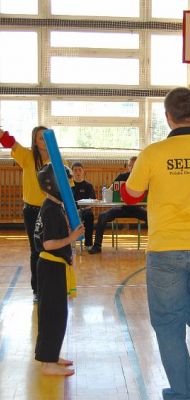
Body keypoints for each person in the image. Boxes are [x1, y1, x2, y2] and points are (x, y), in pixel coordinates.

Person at [123, 87, 190, 400]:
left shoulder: (153, 154)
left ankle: (182, 392)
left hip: (165, 249)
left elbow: (130, 195)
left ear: (168, 116)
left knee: (169, 323)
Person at [34, 163, 84, 376]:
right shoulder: (51, 210)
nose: (69, 187)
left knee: (57, 313)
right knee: (52, 314)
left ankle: (51, 355)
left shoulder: (52, 206)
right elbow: (48, 244)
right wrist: (72, 237)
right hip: (51, 266)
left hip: (53, 266)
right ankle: (48, 363)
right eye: (65, 182)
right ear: (54, 185)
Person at [0, 126, 49, 303]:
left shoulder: (59, 160)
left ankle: (50, 286)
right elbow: (10, 143)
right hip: (32, 211)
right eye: (40, 138)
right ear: (34, 141)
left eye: (46, 136)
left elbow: (69, 185)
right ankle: (37, 289)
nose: (44, 140)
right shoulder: (27, 156)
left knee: (51, 249)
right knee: (36, 250)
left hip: (51, 210)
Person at [88, 156, 147, 254]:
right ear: (128, 167)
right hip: (120, 208)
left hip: (136, 208)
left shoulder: (143, 178)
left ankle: (155, 248)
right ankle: (97, 246)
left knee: (152, 218)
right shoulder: (122, 177)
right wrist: (108, 194)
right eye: (130, 165)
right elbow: (110, 190)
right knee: (102, 216)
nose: (132, 167)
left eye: (135, 165)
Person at [71, 162, 96, 248]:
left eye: (79, 170)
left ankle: (88, 244)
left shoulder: (88, 186)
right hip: (72, 211)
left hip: (85, 210)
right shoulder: (69, 186)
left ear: (83, 172)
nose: (77, 172)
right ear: (72, 172)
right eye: (75, 170)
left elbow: (92, 202)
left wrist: (82, 209)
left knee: (89, 215)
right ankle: (68, 243)